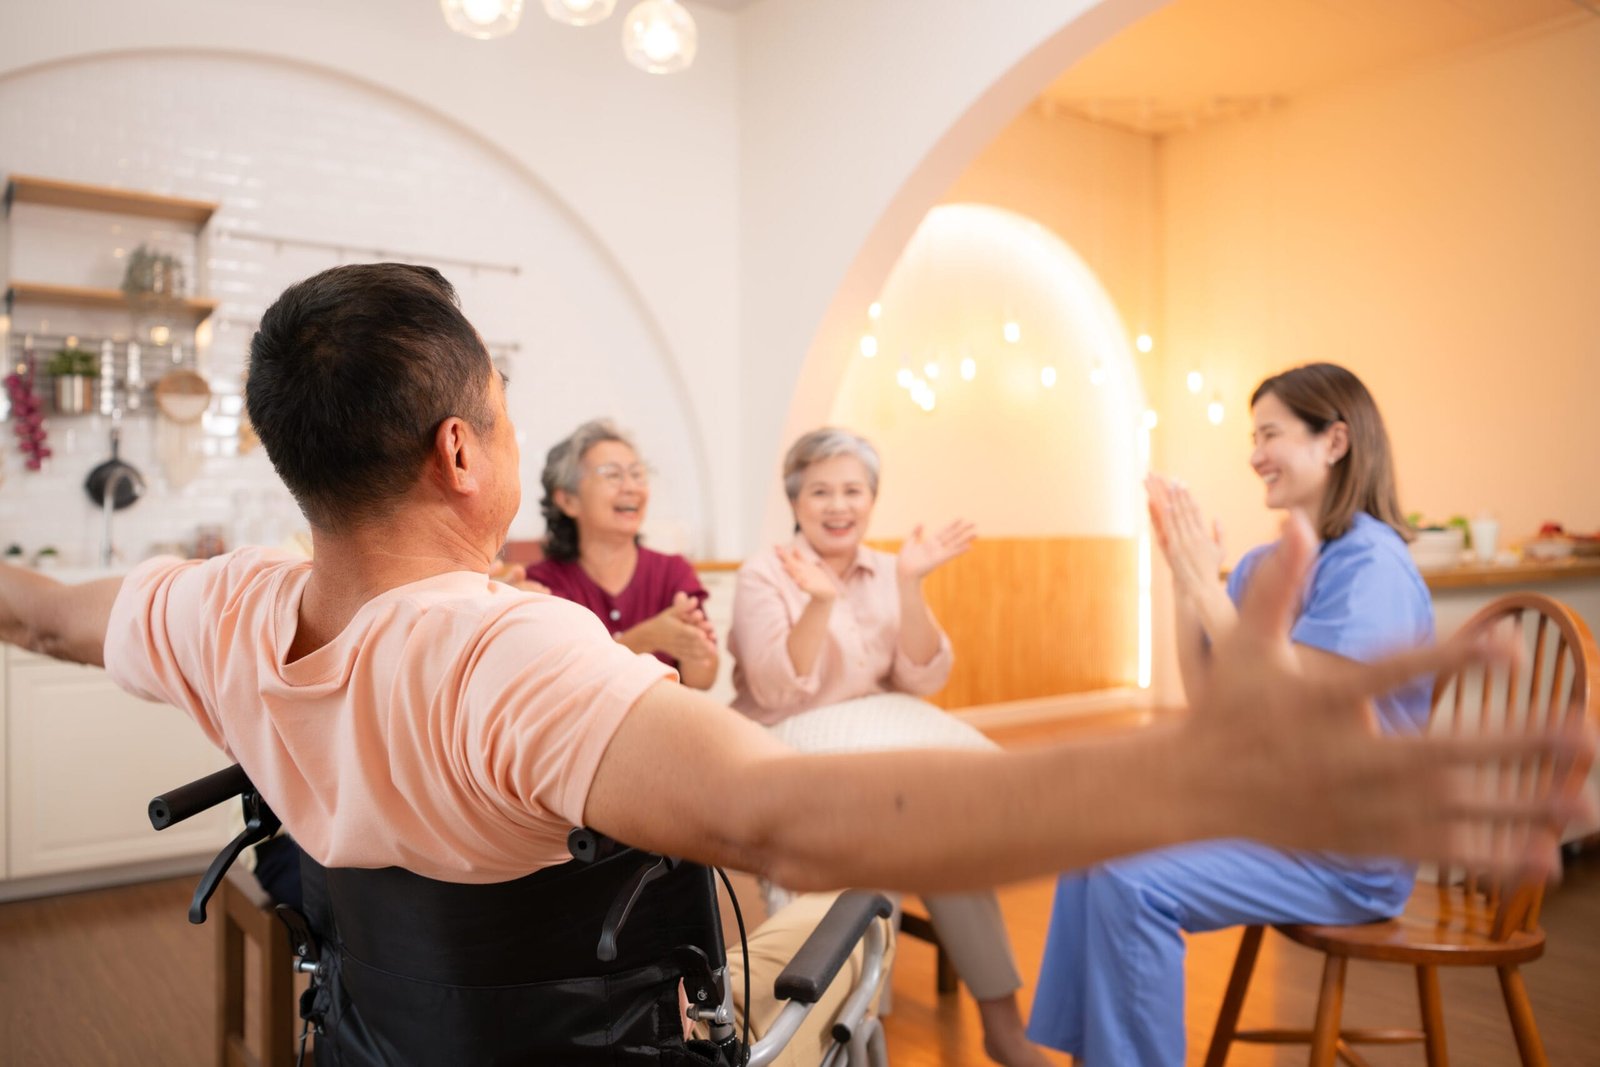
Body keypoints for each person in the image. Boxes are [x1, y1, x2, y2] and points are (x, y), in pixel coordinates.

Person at [0, 267, 1579, 1063]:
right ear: (468, 447)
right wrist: (1189, 772)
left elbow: (49, 607)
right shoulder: (506, 652)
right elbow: (790, 820)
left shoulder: (215, 605)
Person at [1027, 362, 1443, 1066]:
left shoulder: (1369, 563)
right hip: (1278, 821)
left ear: (1334, 441)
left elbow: (1314, 714)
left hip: (1349, 849)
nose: (1254, 454)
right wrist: (1184, 581)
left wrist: (1204, 583)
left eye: (1270, 433)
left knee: (1133, 878)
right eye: (1253, 435)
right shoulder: (1261, 564)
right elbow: (1211, 698)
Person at [727, 427, 1046, 1066]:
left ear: (872, 500)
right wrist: (818, 601)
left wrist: (911, 584)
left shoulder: (883, 568)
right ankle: (861, 1026)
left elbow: (924, 677)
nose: (838, 505)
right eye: (820, 491)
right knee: (881, 846)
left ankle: (1003, 1028)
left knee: (949, 850)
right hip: (785, 749)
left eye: (853, 490)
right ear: (795, 501)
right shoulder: (766, 573)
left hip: (875, 744)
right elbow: (775, 688)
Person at [526, 418, 718, 689]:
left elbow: (703, 680)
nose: (631, 487)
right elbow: (562, 686)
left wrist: (694, 646)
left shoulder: (673, 572)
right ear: (568, 500)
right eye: (613, 475)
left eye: (637, 474)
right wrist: (648, 638)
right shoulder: (541, 586)